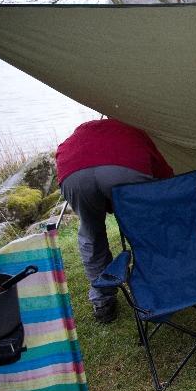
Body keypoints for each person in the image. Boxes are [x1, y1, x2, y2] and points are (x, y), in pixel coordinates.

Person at [56, 118, 174, 324]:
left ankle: (102, 301)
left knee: (91, 234)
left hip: (73, 171)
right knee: (146, 231)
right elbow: (165, 177)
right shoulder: (133, 130)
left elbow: (61, 156)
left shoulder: (80, 135)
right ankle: (155, 291)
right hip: (124, 167)